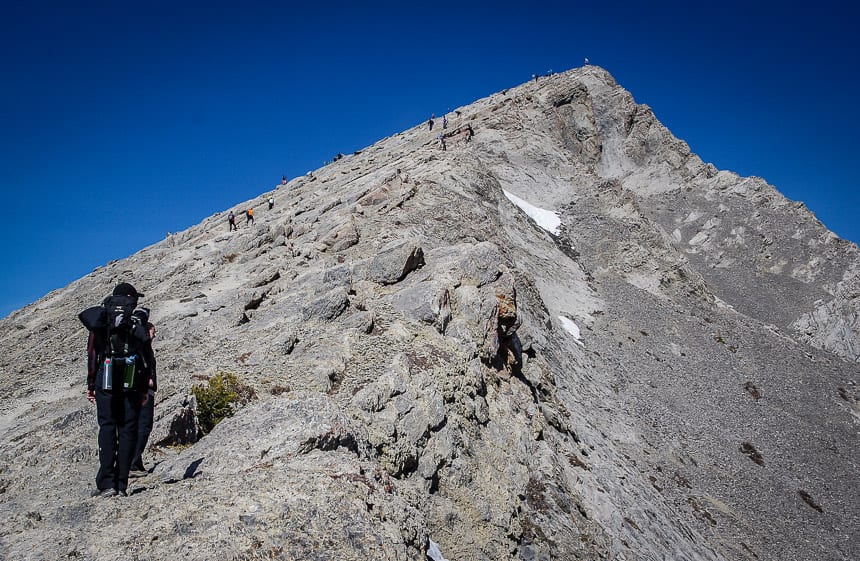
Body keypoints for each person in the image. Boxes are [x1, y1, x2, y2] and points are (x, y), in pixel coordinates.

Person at [81, 283, 155, 497]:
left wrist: (91, 384)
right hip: (131, 379)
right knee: (127, 428)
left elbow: (92, 353)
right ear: (131, 298)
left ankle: (106, 483)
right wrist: (145, 386)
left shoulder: (102, 318)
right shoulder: (137, 318)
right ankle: (121, 485)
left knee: (107, 427)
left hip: (105, 376)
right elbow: (145, 354)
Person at [130, 321, 157, 476]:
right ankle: (132, 463)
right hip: (144, 391)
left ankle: (136, 461)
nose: (154, 335)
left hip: (143, 391)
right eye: (153, 332)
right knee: (144, 426)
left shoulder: (142, 348)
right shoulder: (142, 348)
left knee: (139, 426)